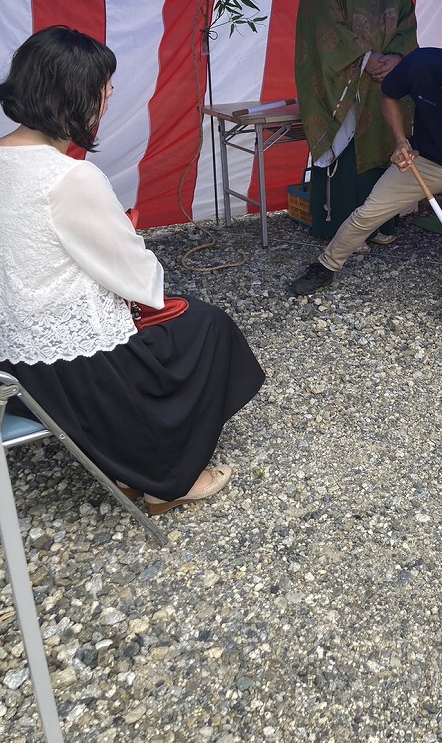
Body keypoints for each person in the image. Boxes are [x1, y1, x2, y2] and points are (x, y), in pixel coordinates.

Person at [0, 26, 265, 515]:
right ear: (73, 97)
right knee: (207, 326)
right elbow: (141, 280)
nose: (109, 99)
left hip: (17, 360)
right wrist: (125, 234)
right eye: (103, 90)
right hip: (78, 365)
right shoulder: (70, 177)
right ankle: (168, 475)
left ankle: (132, 455)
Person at [289, 46, 442, 304]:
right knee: (368, 213)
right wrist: (401, 140)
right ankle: (325, 266)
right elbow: (388, 94)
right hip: (421, 160)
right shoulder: (420, 65)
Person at [294, 0, 418, 244]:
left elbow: (406, 23)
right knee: (346, 156)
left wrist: (396, 58)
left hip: (383, 80)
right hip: (346, 82)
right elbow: (325, 28)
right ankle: (341, 233)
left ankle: (381, 224)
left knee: (385, 148)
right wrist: (365, 60)